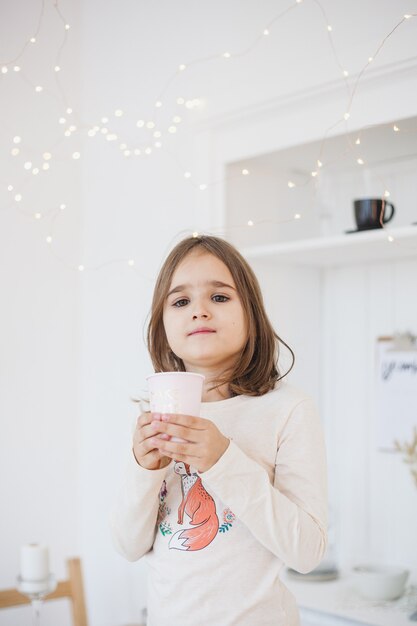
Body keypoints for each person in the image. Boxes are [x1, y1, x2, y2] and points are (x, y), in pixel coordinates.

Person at [111, 235, 327, 626]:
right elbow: (128, 546)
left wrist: (223, 460)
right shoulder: (153, 417)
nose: (199, 312)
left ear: (253, 314)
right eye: (180, 301)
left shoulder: (287, 410)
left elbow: (307, 552)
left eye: (220, 297)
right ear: (163, 327)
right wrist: (143, 471)